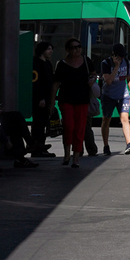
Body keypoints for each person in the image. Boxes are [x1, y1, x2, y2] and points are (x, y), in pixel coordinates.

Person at [52, 38, 91, 168]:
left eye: (78, 47)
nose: (77, 49)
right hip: (66, 99)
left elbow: (94, 74)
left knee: (80, 128)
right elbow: (56, 84)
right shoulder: (62, 64)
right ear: (68, 50)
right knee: (69, 126)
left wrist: (92, 80)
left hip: (82, 100)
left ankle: (76, 158)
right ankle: (67, 154)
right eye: (73, 47)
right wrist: (52, 103)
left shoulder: (86, 61)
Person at [99, 42, 130, 155]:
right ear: (114, 55)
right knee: (106, 120)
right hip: (109, 95)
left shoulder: (126, 62)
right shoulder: (105, 63)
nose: (121, 58)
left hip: (123, 95)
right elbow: (109, 81)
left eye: (122, 56)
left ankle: (129, 144)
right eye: (119, 56)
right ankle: (106, 146)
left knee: (125, 118)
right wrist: (116, 67)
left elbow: (129, 78)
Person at [29, 40, 56, 156]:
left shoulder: (48, 63)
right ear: (42, 50)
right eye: (48, 49)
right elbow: (36, 82)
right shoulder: (36, 63)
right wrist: (40, 98)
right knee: (38, 124)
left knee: (44, 123)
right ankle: (36, 147)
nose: (51, 51)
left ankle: (41, 146)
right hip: (40, 99)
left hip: (47, 98)